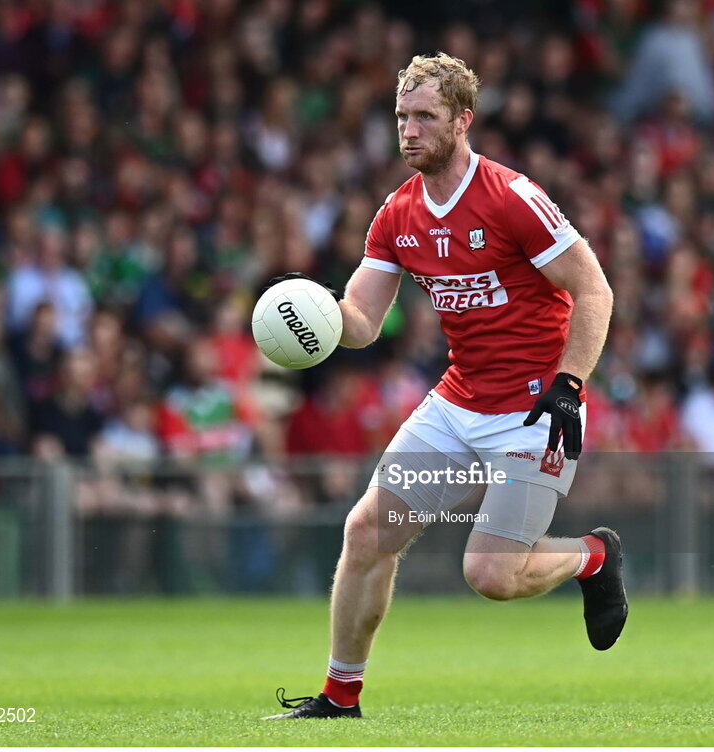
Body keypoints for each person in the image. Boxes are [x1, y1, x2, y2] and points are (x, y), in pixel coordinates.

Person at [263, 53, 622, 720]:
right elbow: (364, 321)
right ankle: (340, 698)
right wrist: (312, 316)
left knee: (490, 576)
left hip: (535, 408)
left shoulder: (512, 198)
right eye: (401, 117)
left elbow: (594, 289)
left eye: (425, 116)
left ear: (463, 120)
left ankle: (594, 556)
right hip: (458, 403)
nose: (409, 130)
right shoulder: (397, 214)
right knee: (366, 531)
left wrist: (570, 385)